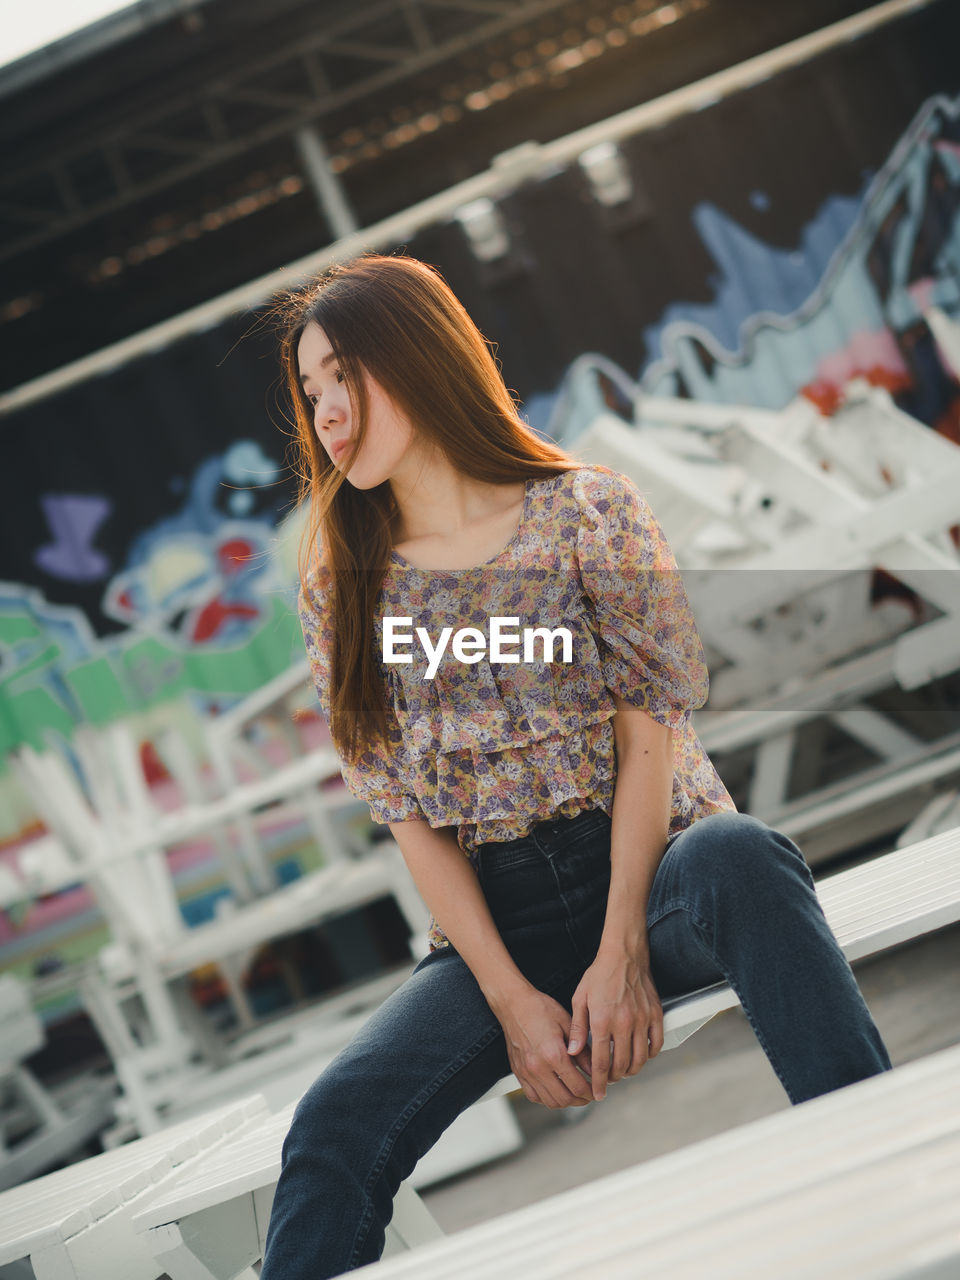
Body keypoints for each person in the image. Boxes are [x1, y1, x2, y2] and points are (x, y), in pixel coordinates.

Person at [259, 253, 891, 1280]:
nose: (326, 410)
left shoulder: (588, 510)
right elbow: (407, 815)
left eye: (345, 375)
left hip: (655, 872)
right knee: (332, 1125)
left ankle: (892, 1180)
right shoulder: (345, 586)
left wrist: (624, 948)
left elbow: (653, 731)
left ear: (418, 360)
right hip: (494, 927)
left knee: (743, 855)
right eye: (311, 389)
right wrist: (510, 998)